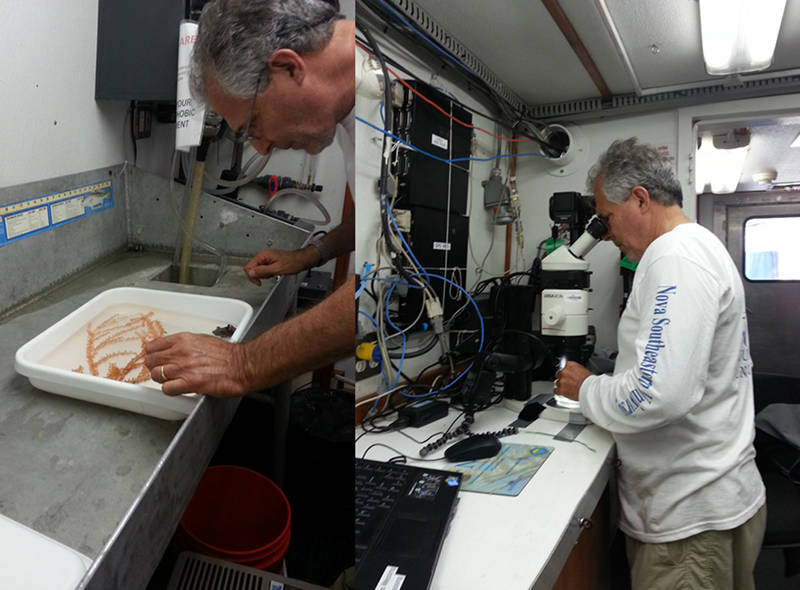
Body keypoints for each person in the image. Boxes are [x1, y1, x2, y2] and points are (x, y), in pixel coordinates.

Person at [555, 138, 766, 590]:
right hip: (713, 501)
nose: (606, 233)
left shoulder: (674, 257)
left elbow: (656, 394)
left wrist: (586, 387)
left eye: (607, 218)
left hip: (688, 527)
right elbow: (674, 374)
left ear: (640, 199)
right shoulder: (699, 247)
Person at [144, 0, 355, 397]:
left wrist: (242, 363)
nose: (262, 146)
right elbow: (376, 223)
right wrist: (309, 256)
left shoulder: (386, 112)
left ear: (289, 68)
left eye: (253, 124)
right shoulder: (347, 113)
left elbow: (379, 284)